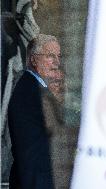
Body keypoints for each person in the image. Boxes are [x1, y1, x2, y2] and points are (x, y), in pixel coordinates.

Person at [8, 34, 61, 189]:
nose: (57, 63)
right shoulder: (30, 91)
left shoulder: (33, 88)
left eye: (59, 56)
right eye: (50, 56)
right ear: (33, 60)